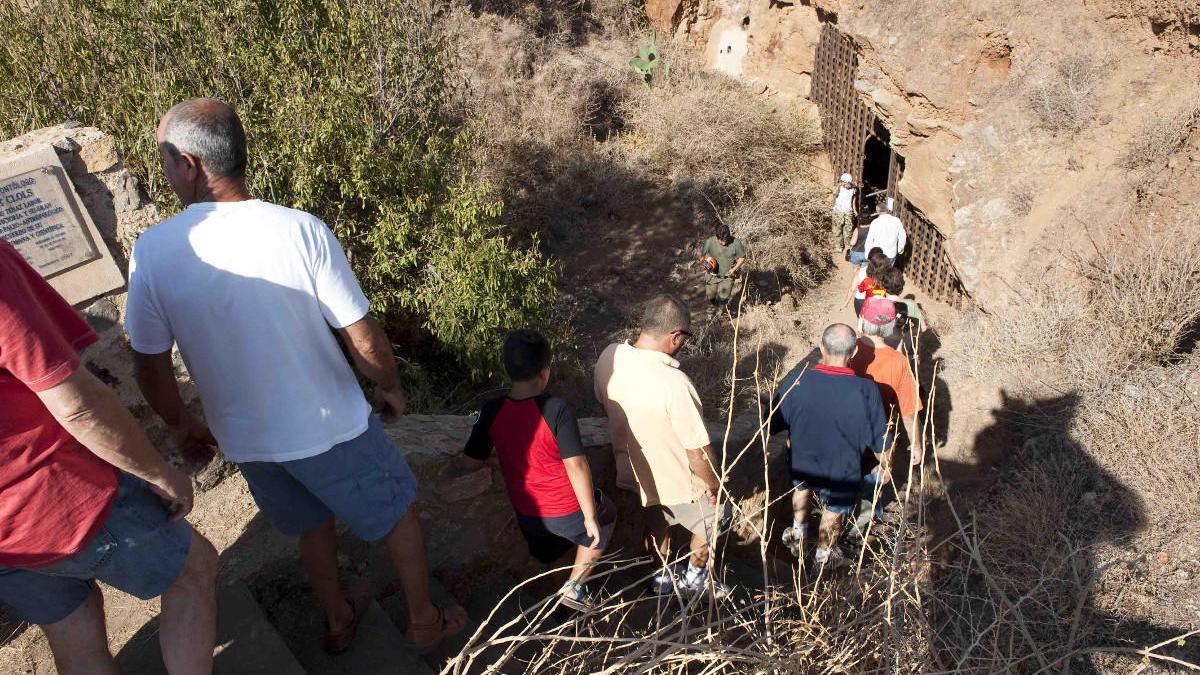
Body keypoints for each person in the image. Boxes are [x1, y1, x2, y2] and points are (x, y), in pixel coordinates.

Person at [126, 98, 465, 653]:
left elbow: (149, 360)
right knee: (396, 514)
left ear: (189, 163)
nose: (164, 170)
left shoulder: (153, 251)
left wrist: (181, 422)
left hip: (249, 441)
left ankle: (336, 618)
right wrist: (388, 384)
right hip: (330, 426)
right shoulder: (299, 230)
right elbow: (358, 330)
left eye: (164, 158)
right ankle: (424, 618)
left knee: (311, 523)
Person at [0, 239, 218, 675]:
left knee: (75, 634)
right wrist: (158, 472)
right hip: (55, 494)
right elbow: (76, 404)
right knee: (193, 569)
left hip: (8, 540)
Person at [453, 330, 615, 611]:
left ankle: (553, 571)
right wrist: (589, 516)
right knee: (607, 515)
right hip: (565, 512)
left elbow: (471, 462)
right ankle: (574, 587)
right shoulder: (556, 409)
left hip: (528, 515)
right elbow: (576, 464)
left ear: (508, 369)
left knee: (550, 548)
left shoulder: (492, 410)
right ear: (545, 372)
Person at [593, 294, 730, 598]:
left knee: (656, 519)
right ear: (676, 336)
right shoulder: (675, 384)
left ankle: (661, 575)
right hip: (678, 481)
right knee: (717, 517)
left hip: (633, 472)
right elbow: (696, 452)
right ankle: (695, 577)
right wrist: (713, 482)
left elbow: (603, 402)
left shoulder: (609, 357)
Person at [768, 324, 887, 569]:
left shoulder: (796, 381)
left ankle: (798, 532)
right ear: (853, 352)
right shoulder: (866, 390)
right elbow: (879, 440)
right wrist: (885, 466)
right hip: (842, 469)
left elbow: (774, 424)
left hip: (802, 461)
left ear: (821, 347)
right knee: (833, 510)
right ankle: (823, 556)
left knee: (801, 488)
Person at [849, 297, 924, 522]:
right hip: (878, 436)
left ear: (862, 320)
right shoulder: (899, 362)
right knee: (874, 479)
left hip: (845, 430)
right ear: (891, 326)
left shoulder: (845, 349)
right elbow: (909, 413)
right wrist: (917, 444)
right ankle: (862, 523)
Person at [698, 223, 747, 318]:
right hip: (711, 275)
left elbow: (742, 258)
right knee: (711, 297)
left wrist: (733, 269)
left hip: (727, 276)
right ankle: (710, 315)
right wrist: (705, 263)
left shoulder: (736, 243)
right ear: (717, 237)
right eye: (721, 240)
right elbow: (700, 254)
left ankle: (719, 315)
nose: (723, 243)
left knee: (723, 298)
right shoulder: (710, 242)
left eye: (725, 240)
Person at [879, 267, 924, 360]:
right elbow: (923, 328)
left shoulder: (877, 303)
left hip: (881, 351)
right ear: (901, 286)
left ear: (883, 285)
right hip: (903, 352)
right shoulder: (911, 304)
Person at [843, 247, 891, 317]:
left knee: (861, 322)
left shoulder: (861, 271)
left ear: (869, 258)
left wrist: (845, 304)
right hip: (878, 301)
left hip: (860, 300)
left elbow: (852, 289)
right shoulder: (886, 274)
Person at [863, 200, 907, 265]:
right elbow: (902, 235)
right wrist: (901, 247)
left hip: (878, 255)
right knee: (888, 272)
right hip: (891, 253)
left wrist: (867, 254)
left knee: (878, 272)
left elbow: (869, 240)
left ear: (877, 211)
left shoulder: (875, 222)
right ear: (887, 209)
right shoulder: (896, 220)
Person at [830, 173, 858, 253]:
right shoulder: (839, 188)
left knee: (848, 229)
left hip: (848, 211)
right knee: (837, 230)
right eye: (843, 182)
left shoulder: (853, 189)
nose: (846, 184)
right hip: (838, 211)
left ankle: (847, 246)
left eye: (847, 183)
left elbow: (853, 200)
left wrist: (854, 210)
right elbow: (834, 194)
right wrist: (838, 186)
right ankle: (839, 246)